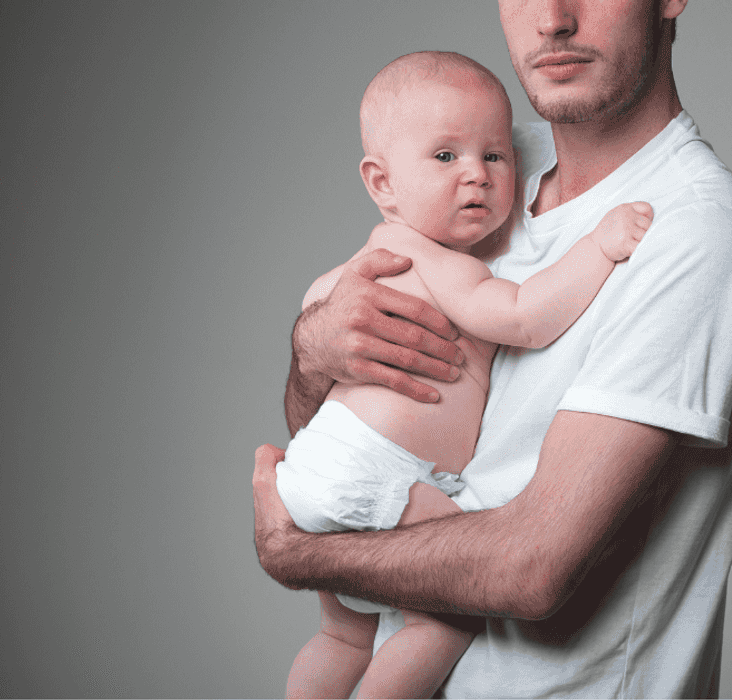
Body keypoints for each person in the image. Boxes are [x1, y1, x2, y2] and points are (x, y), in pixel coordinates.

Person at [253, 0, 732, 696]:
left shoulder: (693, 232)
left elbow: (528, 571)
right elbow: (359, 430)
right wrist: (314, 350)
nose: (552, 18)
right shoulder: (485, 159)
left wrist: (299, 552)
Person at [277, 51, 651, 699]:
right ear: (382, 183)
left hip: (318, 468)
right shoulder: (435, 260)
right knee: (444, 620)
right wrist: (599, 246)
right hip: (378, 471)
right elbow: (522, 318)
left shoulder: (360, 265)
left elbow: (315, 321)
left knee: (343, 636)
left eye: (495, 156)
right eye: (445, 158)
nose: (476, 176)